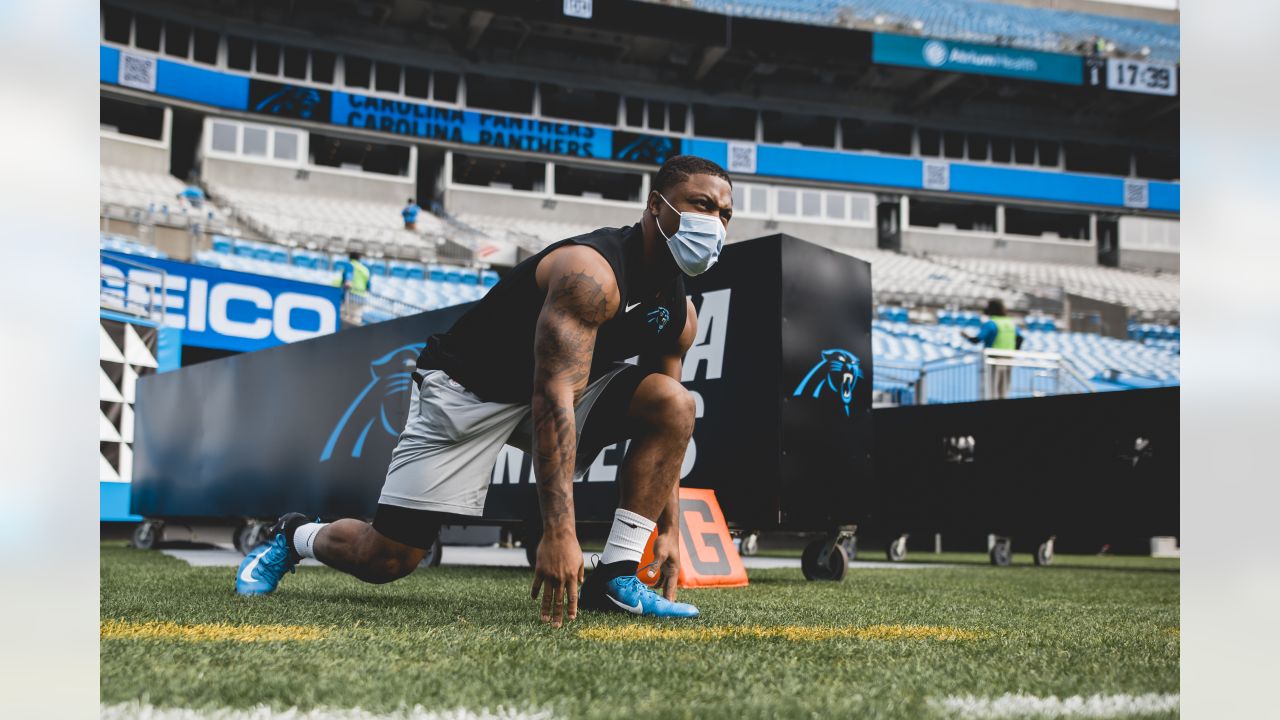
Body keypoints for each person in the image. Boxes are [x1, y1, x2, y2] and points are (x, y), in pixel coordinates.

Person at [235, 156, 734, 627]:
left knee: (673, 402)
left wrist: (666, 530)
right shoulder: (591, 273)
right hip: (471, 389)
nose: (714, 223)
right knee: (386, 558)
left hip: (560, 391)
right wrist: (558, 533)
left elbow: (669, 420)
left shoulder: (679, 313)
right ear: (654, 205)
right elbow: (551, 396)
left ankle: (618, 574)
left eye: (725, 214)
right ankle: (294, 534)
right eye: (701, 205)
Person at [966, 299, 1024, 399]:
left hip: (993, 359)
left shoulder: (991, 324)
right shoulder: (1011, 323)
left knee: (991, 389)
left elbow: (977, 339)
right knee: (1004, 389)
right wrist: (1014, 351)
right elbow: (1020, 338)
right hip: (1009, 359)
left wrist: (965, 335)